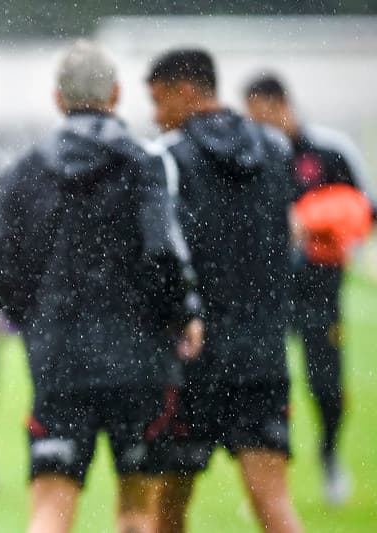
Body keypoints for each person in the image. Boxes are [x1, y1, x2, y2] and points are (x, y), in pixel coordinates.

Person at [0, 39, 202, 533]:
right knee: (136, 514)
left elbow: (0, 264)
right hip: (140, 360)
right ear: (117, 93)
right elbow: (164, 252)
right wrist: (183, 313)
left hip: (58, 360)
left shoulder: (24, 169)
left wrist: (30, 320)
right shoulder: (145, 163)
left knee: (50, 510)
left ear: (58, 98)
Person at [147, 49, 303, 532]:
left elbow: (164, 257)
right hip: (262, 354)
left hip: (194, 359)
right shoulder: (276, 150)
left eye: (159, 101)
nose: (155, 115)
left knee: (167, 511)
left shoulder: (168, 157)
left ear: (185, 91)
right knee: (274, 506)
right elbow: (289, 241)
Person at [245, 73, 376, 505]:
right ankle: (264, 485)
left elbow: (365, 209)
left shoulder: (330, 150)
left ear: (281, 104)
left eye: (261, 113)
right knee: (262, 387)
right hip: (267, 293)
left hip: (320, 290)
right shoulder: (252, 155)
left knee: (326, 385)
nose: (256, 122)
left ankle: (329, 457)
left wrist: (314, 219)